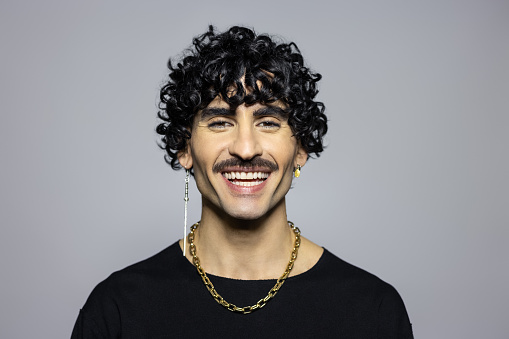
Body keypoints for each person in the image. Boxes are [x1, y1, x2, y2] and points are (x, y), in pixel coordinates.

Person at [71, 25, 413, 338]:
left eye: (268, 122)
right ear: (183, 147)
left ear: (301, 149)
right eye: (220, 122)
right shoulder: (116, 310)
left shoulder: (374, 310)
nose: (246, 149)